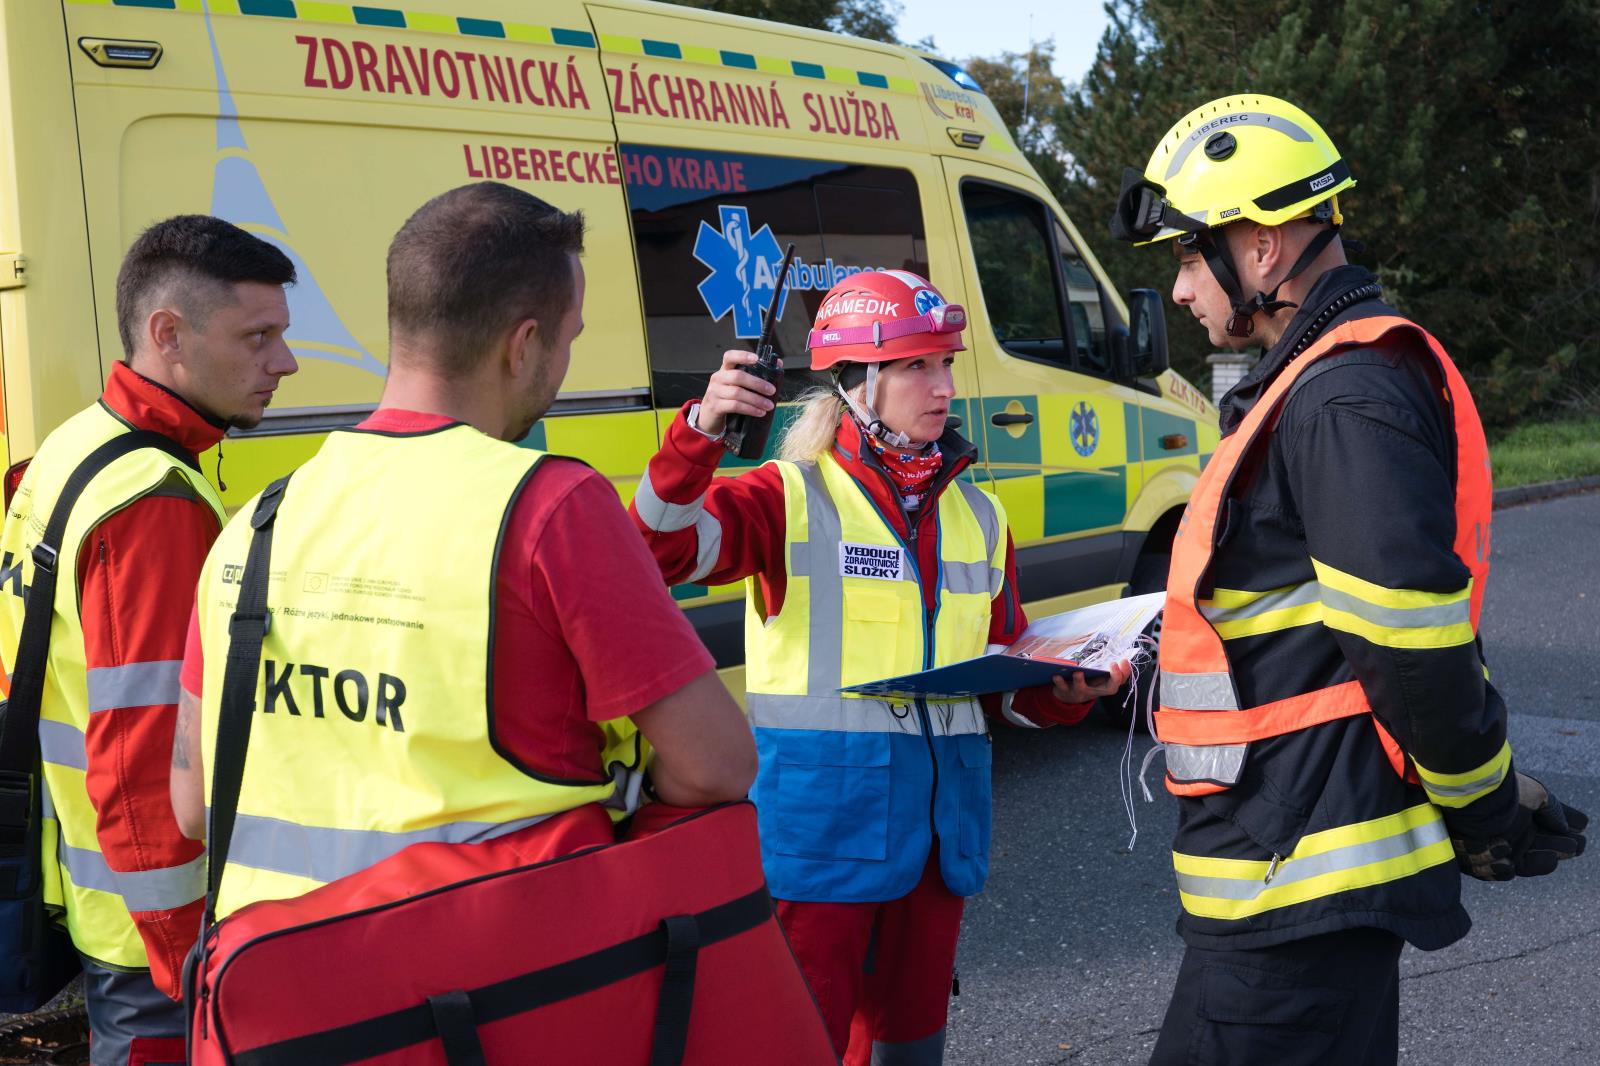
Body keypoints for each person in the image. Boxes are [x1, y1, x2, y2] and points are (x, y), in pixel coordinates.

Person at [1108, 94, 1589, 1064]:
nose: (1184, 289)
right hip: (1269, 869)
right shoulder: (1312, 384)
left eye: (1191, 256)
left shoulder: (1343, 394)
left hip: (1302, 882)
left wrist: (1486, 805)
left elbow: (1408, 646)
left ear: (1270, 244)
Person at [170, 181, 756, 929]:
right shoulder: (550, 506)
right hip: (489, 986)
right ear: (524, 343)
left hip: (276, 990)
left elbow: (191, 805)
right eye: (568, 339)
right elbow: (718, 765)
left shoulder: (255, 524)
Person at [629, 268, 1131, 1064]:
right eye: (915, 366)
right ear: (857, 384)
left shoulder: (979, 512)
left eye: (946, 363)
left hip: (938, 843)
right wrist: (699, 432)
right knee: (801, 1046)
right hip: (821, 840)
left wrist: (1066, 693)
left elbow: (1007, 686)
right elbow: (655, 548)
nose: (942, 387)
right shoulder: (784, 496)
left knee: (911, 1050)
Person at [0, 215, 297, 1065]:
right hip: (151, 934)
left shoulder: (73, 445)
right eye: (259, 336)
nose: (285, 362)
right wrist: (181, 951)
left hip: (94, 890)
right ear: (168, 334)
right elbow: (144, 752)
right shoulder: (154, 503)